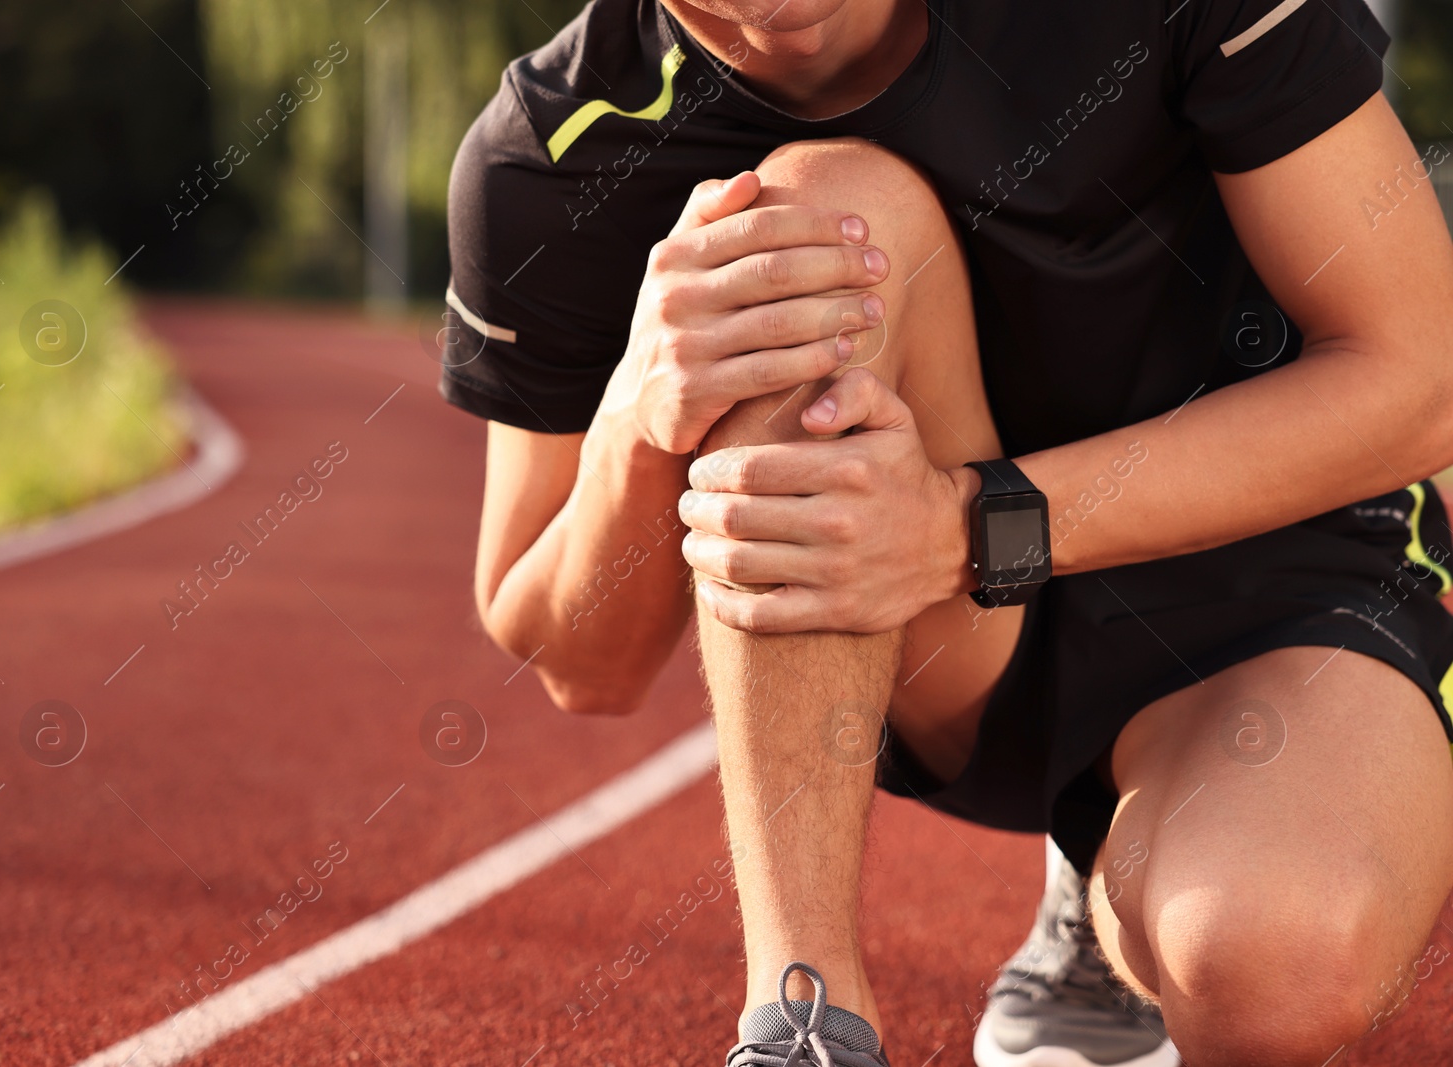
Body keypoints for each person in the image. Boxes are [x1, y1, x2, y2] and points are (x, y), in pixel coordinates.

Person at [437, 0, 1453, 1062]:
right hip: (942, 645)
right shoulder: (553, 151)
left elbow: (1416, 377)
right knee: (805, 228)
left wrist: (972, 524)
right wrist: (639, 415)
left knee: (1272, 966)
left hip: (1267, 577)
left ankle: (1111, 864)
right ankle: (802, 1019)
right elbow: (576, 663)